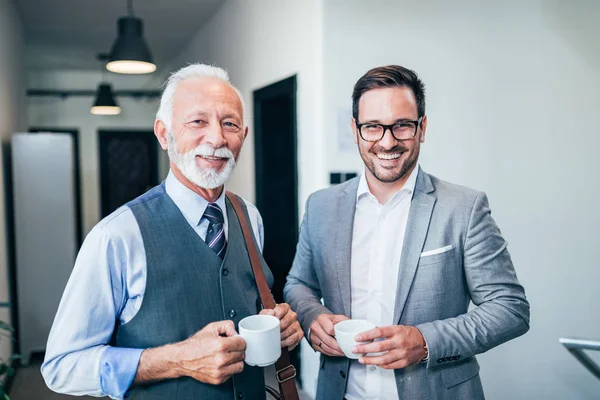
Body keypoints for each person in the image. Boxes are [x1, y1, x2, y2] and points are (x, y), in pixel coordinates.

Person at [42, 64, 303, 400]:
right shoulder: (118, 236)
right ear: (164, 134)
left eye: (230, 124)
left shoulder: (250, 217)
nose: (217, 138)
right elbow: (62, 366)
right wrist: (177, 359)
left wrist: (278, 325)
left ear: (244, 136)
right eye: (197, 122)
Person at [284, 65, 530, 399]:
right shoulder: (321, 206)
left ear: (422, 127)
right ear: (355, 130)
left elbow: (509, 308)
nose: (387, 142)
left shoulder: (464, 207)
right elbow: (298, 284)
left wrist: (425, 341)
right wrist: (313, 318)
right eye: (373, 127)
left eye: (402, 126)